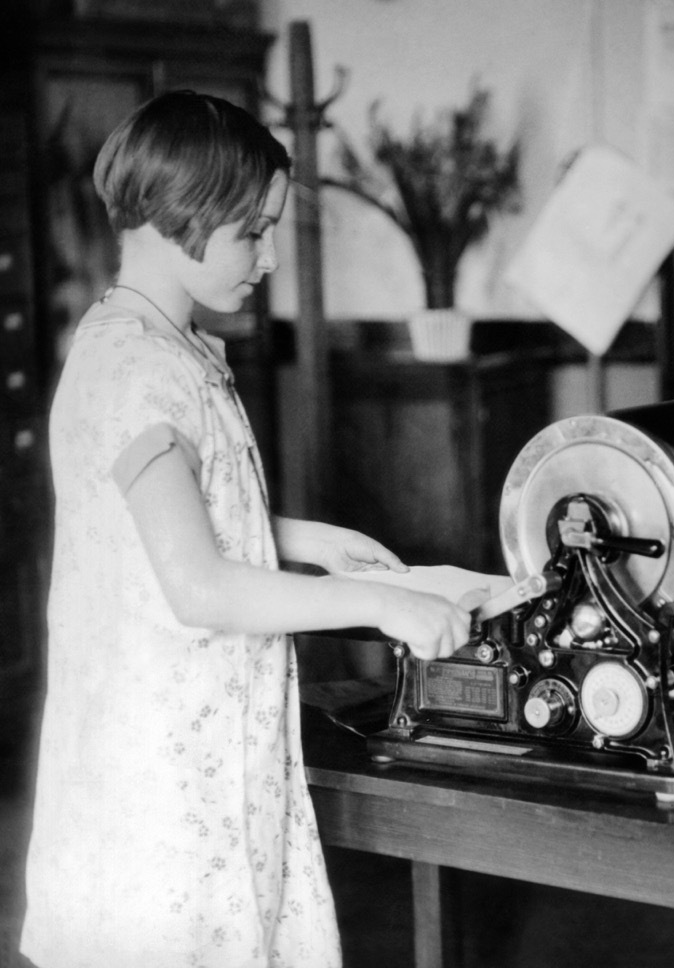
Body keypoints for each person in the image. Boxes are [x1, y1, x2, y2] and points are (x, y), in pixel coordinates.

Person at [20, 90, 479, 968]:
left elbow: (181, 511)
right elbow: (197, 585)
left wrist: (306, 539)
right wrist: (381, 602)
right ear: (180, 217)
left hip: (201, 736)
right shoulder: (135, 371)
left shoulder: (161, 343)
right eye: (251, 233)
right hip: (158, 768)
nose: (269, 258)